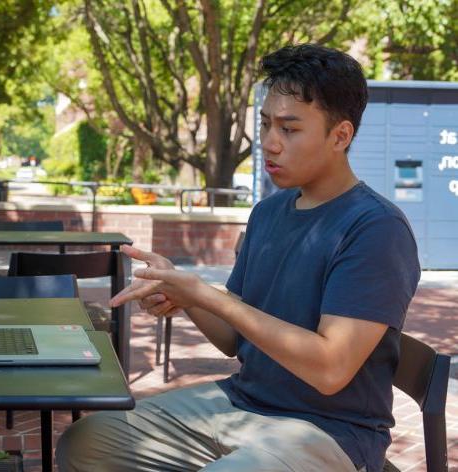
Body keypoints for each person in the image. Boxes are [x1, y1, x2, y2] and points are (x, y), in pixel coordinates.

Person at [55, 44, 420, 472]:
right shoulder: (269, 212)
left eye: (290, 129)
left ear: (340, 135)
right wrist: (183, 293)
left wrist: (208, 297)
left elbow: (330, 369)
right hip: (241, 402)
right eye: (265, 125)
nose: (270, 143)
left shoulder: (375, 228)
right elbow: (233, 338)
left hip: (328, 431)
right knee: (86, 442)